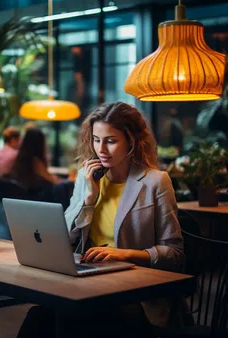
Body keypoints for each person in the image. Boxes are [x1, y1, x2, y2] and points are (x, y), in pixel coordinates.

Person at [17, 102, 185, 337]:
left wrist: (123, 254)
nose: (101, 149)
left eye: (111, 141)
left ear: (132, 141)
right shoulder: (87, 177)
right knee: (39, 316)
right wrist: (88, 198)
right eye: (96, 140)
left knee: (77, 320)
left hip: (135, 293)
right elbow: (64, 237)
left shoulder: (155, 181)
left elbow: (174, 253)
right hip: (90, 282)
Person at [10, 128, 58, 196]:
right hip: (36, 201)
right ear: (40, 144)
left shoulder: (20, 160)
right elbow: (52, 180)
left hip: (22, 199)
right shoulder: (35, 162)